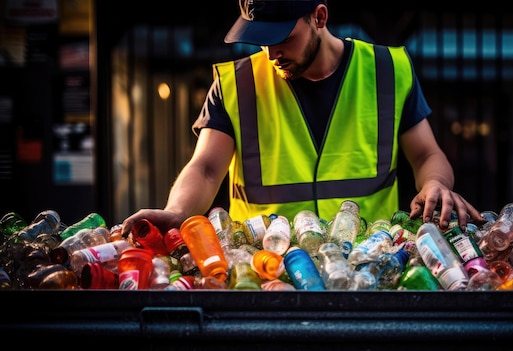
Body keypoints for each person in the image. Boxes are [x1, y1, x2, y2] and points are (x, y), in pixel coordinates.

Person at [121, 0, 484, 238]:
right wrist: (176, 211)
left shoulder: (389, 71)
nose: (271, 52)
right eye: (261, 40)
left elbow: (426, 155)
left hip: (366, 267)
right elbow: (205, 168)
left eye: (282, 38)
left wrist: (435, 183)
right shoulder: (235, 84)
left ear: (319, 17)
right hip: (266, 271)